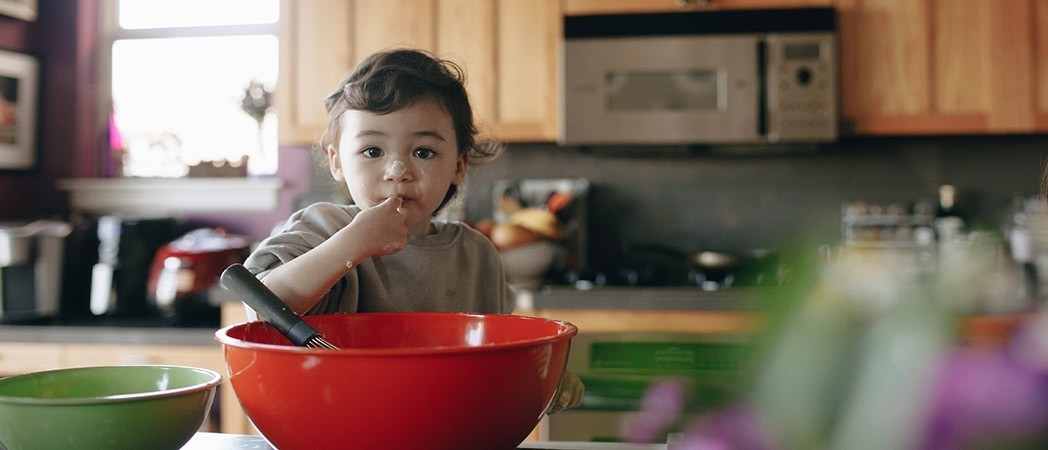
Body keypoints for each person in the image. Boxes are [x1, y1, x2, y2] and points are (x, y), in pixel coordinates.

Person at [241, 48, 581, 412]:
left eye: (423, 152)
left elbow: (498, 359)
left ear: (459, 165)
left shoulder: (476, 255)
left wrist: (540, 379)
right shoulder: (322, 229)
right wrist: (352, 244)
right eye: (372, 151)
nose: (398, 169)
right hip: (337, 422)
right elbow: (261, 307)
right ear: (337, 162)